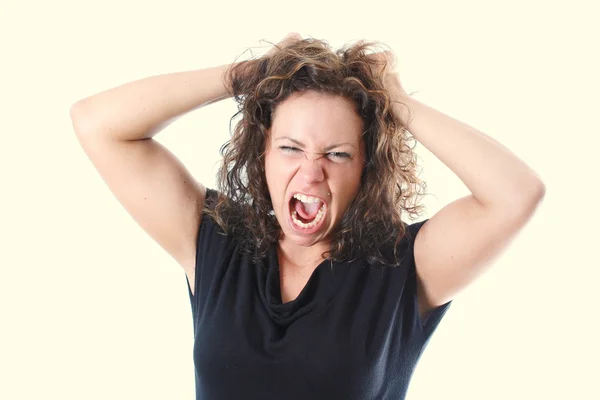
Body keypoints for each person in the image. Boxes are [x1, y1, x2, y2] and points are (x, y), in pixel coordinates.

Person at [70, 33, 545, 399]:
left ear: (366, 169)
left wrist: (394, 101)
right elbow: (97, 123)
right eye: (290, 148)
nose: (310, 172)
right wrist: (250, 73)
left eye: (337, 154)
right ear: (262, 156)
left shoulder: (405, 267)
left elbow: (516, 193)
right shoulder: (215, 241)